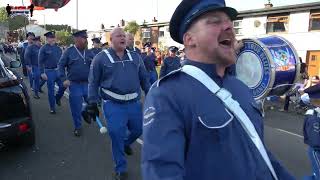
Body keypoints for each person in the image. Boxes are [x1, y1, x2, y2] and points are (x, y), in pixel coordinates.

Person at [142, 0, 294, 179]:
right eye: (215, 21)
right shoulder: (167, 95)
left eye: (230, 23)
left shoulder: (241, 88)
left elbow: (259, 153)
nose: (229, 27)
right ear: (190, 40)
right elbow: (162, 172)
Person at [85, 27, 150, 180]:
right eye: (118, 36)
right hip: (113, 104)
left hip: (134, 103)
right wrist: (92, 102)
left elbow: (144, 79)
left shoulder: (135, 57)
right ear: (111, 40)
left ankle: (126, 143)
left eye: (124, 36)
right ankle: (120, 168)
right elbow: (93, 82)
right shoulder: (100, 58)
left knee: (138, 130)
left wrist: (152, 94)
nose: (123, 38)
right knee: (116, 134)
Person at [58, 30, 94, 136]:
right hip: (74, 84)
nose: (86, 40)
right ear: (77, 39)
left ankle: (85, 112)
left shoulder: (88, 52)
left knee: (92, 104)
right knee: (76, 108)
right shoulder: (69, 51)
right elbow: (60, 65)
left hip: (87, 84)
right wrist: (64, 79)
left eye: (86, 38)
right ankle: (78, 127)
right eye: (84, 38)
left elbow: (95, 67)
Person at [39, 31, 65, 114]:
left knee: (63, 86)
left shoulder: (58, 48)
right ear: (47, 39)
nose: (52, 39)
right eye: (50, 38)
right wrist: (42, 72)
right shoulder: (43, 48)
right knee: (51, 91)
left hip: (58, 71)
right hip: (49, 71)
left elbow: (62, 60)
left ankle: (57, 98)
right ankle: (52, 108)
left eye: (53, 37)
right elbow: (40, 61)